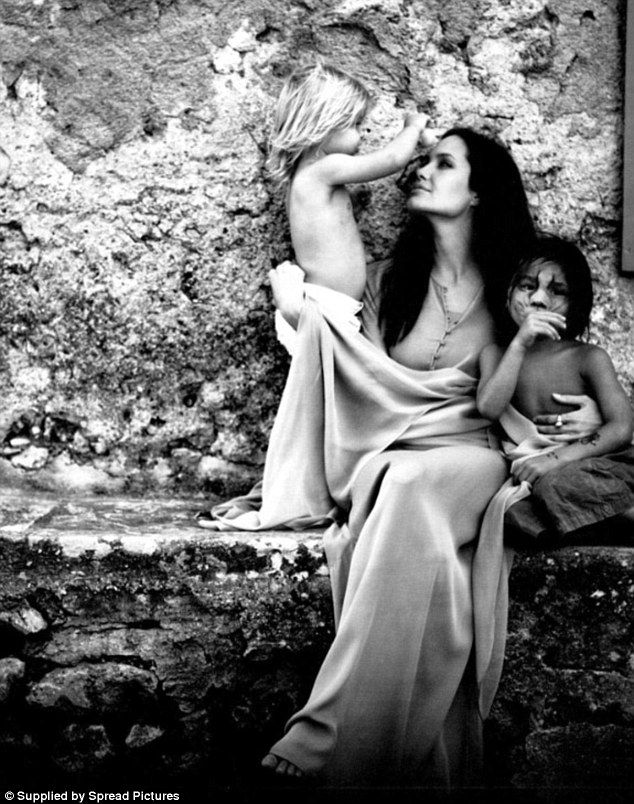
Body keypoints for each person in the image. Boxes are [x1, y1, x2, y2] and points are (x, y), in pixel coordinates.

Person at [206, 128, 600, 788]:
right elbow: (358, 379)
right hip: (394, 454)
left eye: (442, 164)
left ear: (478, 191)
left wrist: (579, 417)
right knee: (397, 487)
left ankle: (326, 728)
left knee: (407, 482)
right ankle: (399, 758)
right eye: (420, 162)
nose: (420, 172)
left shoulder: (517, 284)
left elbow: (559, 366)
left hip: (476, 456)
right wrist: (301, 312)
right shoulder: (392, 282)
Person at [266, 61, 433, 355]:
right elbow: (392, 160)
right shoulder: (323, 169)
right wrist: (413, 127)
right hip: (324, 309)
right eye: (355, 125)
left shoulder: (307, 176)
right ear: (323, 126)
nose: (362, 134)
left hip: (329, 307)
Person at [477, 235, 634, 545]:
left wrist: (556, 460)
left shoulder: (587, 357)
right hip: (533, 479)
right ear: (507, 294)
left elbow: (622, 427)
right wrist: (520, 344)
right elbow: (489, 408)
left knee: (558, 485)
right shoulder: (495, 355)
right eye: (527, 286)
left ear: (575, 305)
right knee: (506, 514)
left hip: (592, 468)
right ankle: (601, 520)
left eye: (556, 291)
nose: (538, 300)